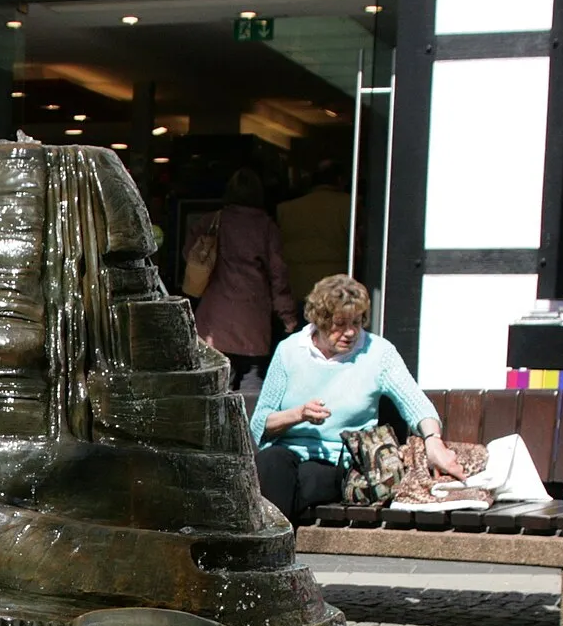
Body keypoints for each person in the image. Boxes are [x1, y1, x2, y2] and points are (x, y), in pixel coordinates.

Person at [251, 274, 465, 525]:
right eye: (340, 324)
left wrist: (433, 441)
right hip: (285, 456)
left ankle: (264, 554)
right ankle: (272, 552)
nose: (350, 332)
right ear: (319, 320)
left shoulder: (378, 353)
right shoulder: (289, 351)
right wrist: (299, 415)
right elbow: (260, 423)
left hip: (340, 460)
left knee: (302, 480)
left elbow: (416, 403)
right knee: (270, 461)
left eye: (356, 322)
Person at [194, 168, 299, 391]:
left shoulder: (213, 220)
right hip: (253, 314)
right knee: (252, 382)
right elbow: (278, 273)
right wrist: (287, 315)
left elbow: (190, 255)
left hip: (215, 313)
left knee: (215, 384)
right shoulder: (266, 226)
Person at [277, 161, 353, 306]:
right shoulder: (350, 205)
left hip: (297, 287)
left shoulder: (285, 210)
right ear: (339, 180)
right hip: (336, 289)